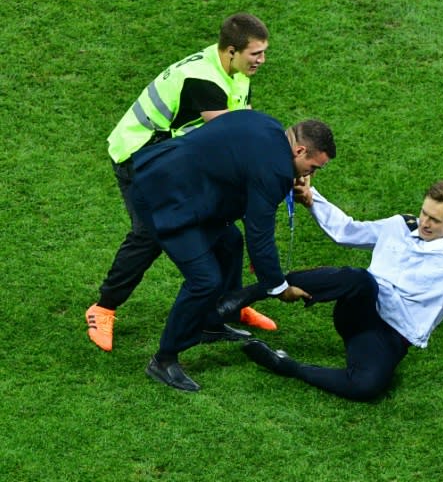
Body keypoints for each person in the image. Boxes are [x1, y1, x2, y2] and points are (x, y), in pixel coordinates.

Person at [224, 178, 443, 401]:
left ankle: (285, 365)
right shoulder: (401, 225)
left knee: (367, 387)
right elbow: (347, 231)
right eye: (424, 213)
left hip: (390, 335)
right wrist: (313, 199)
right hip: (361, 309)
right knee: (360, 279)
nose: (425, 222)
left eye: (435, 219)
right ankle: (249, 294)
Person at [87, 13, 276, 352]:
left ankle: (228, 307)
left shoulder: (234, 69)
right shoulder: (204, 80)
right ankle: (103, 308)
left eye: (263, 53)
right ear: (232, 50)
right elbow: (230, 140)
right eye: (256, 54)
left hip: (172, 159)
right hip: (139, 158)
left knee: (227, 237)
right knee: (149, 235)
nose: (262, 61)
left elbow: (244, 125)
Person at [129, 109, 337, 392]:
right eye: (312, 168)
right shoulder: (275, 170)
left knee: (230, 243)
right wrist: (278, 287)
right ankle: (164, 359)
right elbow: (260, 235)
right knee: (204, 280)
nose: (309, 175)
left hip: (176, 180)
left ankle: (211, 323)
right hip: (165, 200)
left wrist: (292, 179)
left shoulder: (267, 125)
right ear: (299, 150)